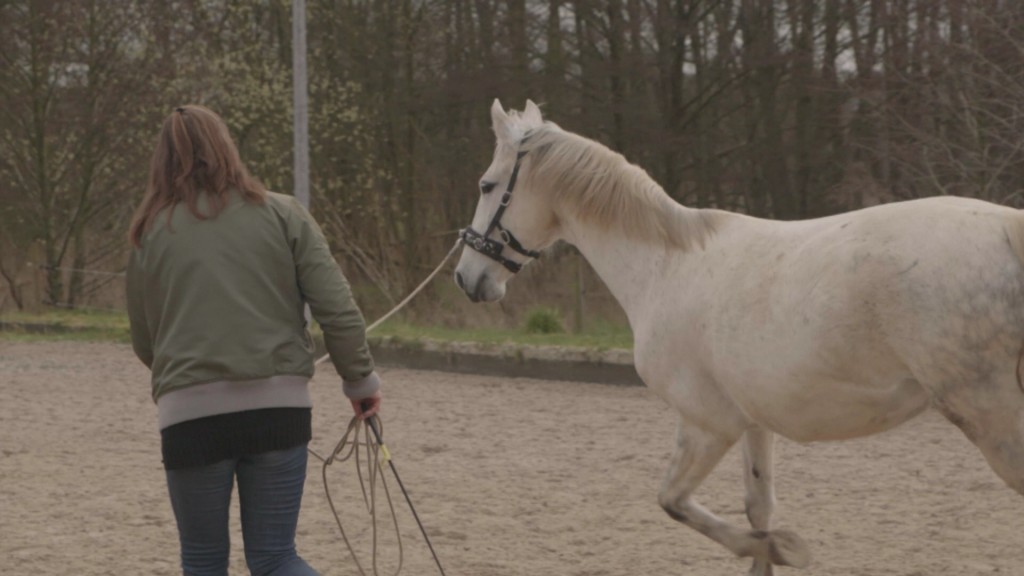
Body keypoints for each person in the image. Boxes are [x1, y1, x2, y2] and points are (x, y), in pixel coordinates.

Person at [126, 104, 381, 576]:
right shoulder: (284, 213)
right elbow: (337, 309)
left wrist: (190, 381)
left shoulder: (149, 233)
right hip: (278, 410)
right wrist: (360, 382)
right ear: (227, 147)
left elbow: (146, 342)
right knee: (275, 557)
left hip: (190, 419)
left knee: (203, 560)